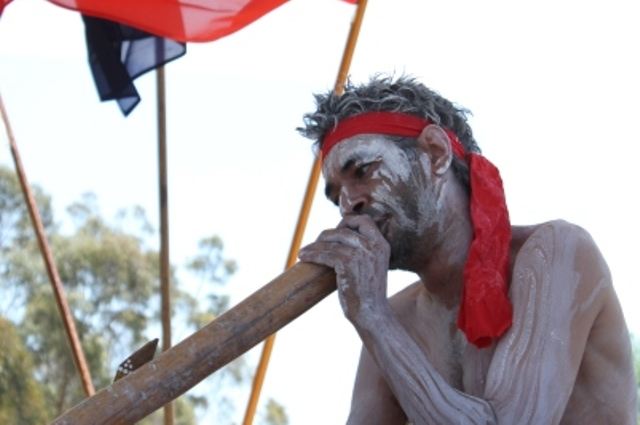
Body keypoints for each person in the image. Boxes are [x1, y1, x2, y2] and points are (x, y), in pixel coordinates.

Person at [297, 75, 637, 424]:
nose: (349, 204)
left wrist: (371, 315)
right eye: (337, 196)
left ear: (436, 153)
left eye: (364, 171)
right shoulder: (397, 318)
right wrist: (375, 319)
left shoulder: (558, 253)